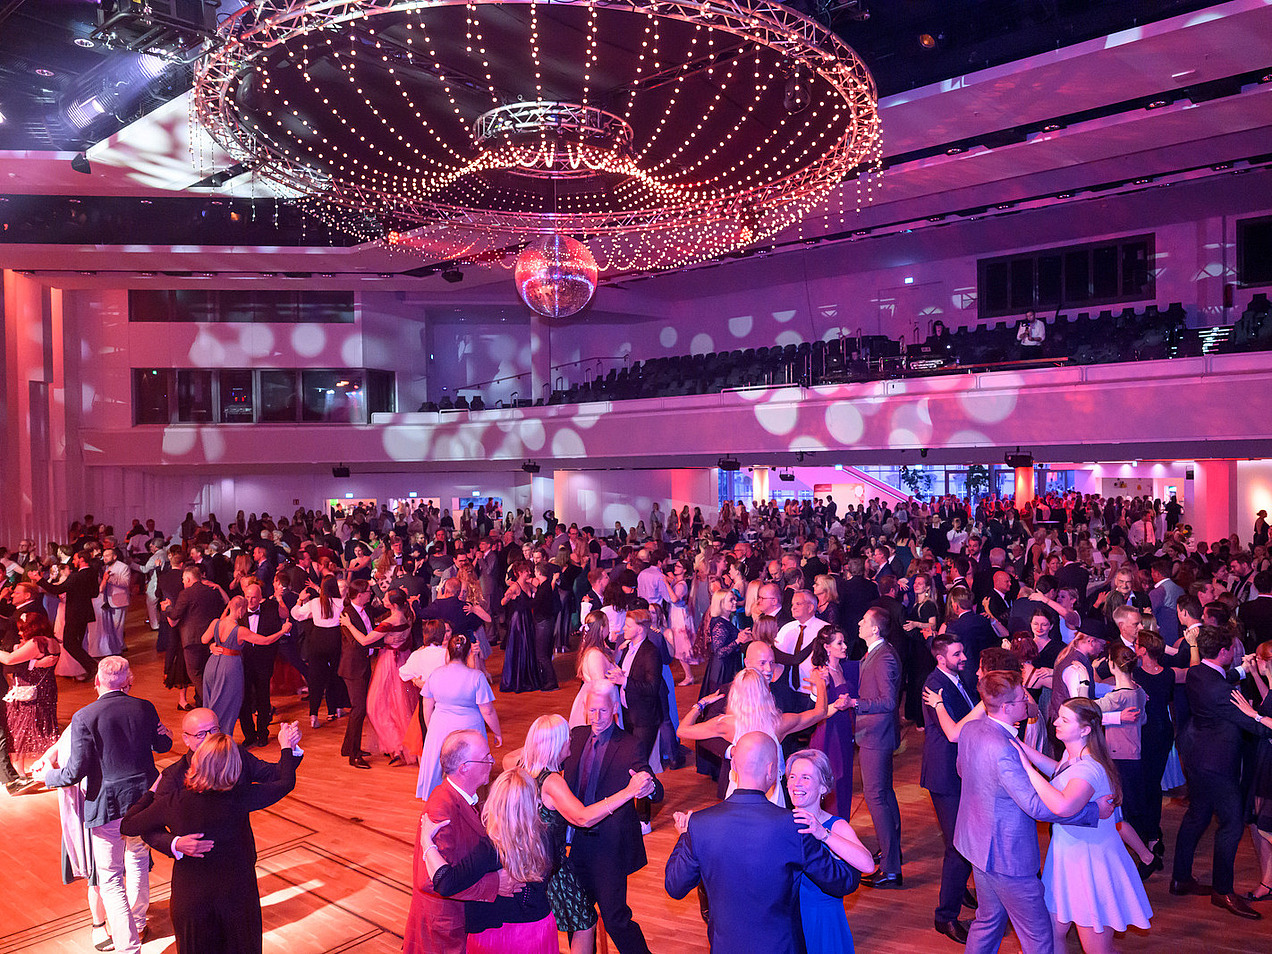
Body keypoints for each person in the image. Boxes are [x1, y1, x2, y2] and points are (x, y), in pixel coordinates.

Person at [664, 731, 858, 954]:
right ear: (770, 770)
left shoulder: (700, 824)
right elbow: (844, 882)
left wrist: (684, 836)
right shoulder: (795, 827)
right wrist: (830, 837)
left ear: (734, 767)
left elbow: (675, 887)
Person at [955, 671, 1104, 954]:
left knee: (987, 921)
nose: (1027, 701)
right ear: (1008, 707)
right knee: (1038, 939)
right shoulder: (1004, 748)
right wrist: (1091, 811)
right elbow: (1035, 806)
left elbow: (962, 771)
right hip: (1008, 856)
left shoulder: (972, 729)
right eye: (1023, 698)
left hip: (976, 844)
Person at [119, 728, 301, 953]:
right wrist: (286, 746)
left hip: (192, 897)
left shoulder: (175, 801)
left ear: (197, 763)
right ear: (234, 766)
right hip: (237, 895)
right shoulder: (241, 797)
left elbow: (128, 825)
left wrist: (150, 792)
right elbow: (285, 782)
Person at [37, 657, 174, 954]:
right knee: (137, 861)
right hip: (144, 801)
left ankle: (128, 947)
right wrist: (167, 735)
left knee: (111, 878)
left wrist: (47, 775)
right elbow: (162, 746)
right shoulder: (144, 707)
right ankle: (139, 922)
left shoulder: (85, 716)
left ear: (97, 682)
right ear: (129, 681)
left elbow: (74, 772)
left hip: (107, 806)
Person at [1015, 698, 1153, 953]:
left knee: (1097, 950)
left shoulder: (1089, 769)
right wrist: (1019, 746)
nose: (1055, 722)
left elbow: (1063, 806)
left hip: (1091, 864)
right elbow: (1060, 772)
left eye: (1065, 720)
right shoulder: (1073, 755)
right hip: (1069, 857)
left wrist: (1026, 768)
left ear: (1085, 729)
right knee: (1051, 934)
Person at [514, 714, 655, 954]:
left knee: (582, 922)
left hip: (540, 864)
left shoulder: (523, 769)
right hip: (556, 870)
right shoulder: (552, 782)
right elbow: (583, 818)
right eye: (566, 738)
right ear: (557, 745)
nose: (572, 741)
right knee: (584, 923)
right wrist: (628, 792)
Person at [1171, 625, 1272, 918]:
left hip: (1197, 759)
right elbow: (1255, 727)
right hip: (1218, 765)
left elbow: (1224, 676)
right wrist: (1257, 712)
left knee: (1197, 816)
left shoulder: (1197, 673)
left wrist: (1245, 669)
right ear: (1225, 651)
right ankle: (1223, 891)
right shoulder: (1222, 691)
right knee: (1231, 825)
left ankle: (1180, 879)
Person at [562, 685, 664, 954]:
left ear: (615, 709)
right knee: (578, 918)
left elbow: (650, 780)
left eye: (603, 710)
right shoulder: (576, 736)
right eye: (592, 710)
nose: (596, 717)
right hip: (577, 844)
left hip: (609, 847)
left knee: (615, 919)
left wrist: (648, 786)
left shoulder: (630, 744)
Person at [419, 767, 559, 953]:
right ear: (533, 801)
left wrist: (426, 841)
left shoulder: (491, 847)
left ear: (496, 802)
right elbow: (555, 865)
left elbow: (445, 882)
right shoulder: (546, 835)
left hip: (498, 937)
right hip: (539, 929)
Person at [403, 730, 501, 954]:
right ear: (464, 767)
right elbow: (430, 880)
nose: (491, 761)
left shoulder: (465, 798)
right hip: (443, 932)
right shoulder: (441, 808)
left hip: (458, 922)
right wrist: (495, 884)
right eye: (485, 758)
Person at [678, 666, 829, 804]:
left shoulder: (725, 724)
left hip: (737, 793)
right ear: (765, 692)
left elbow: (682, 730)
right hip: (771, 795)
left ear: (735, 694)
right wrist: (820, 684)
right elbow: (820, 712)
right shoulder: (779, 723)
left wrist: (702, 703)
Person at [919, 635, 979, 944]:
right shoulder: (934, 685)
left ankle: (960, 892)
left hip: (959, 772)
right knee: (958, 846)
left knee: (964, 841)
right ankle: (946, 917)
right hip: (945, 776)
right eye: (957, 653)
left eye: (963, 650)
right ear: (941, 658)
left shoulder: (956, 677)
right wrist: (984, 706)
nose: (964, 656)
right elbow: (953, 732)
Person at [786, 748, 873, 953]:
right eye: (792, 776)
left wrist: (822, 833)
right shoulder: (781, 823)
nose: (796, 783)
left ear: (823, 787)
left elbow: (868, 865)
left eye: (806, 777)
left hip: (824, 924)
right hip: (788, 923)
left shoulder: (835, 826)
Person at [852, 607, 904, 888]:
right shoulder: (878, 653)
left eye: (863, 620)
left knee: (876, 798)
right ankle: (890, 852)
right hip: (876, 735)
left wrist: (856, 703)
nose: (859, 623)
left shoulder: (883, 658)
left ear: (875, 629)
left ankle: (890, 869)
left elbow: (888, 702)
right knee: (884, 795)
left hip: (876, 737)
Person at [418, 634, 502, 799]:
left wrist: (431, 728)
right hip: (469, 728)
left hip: (439, 725)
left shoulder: (435, 674)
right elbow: (488, 711)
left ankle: (437, 801)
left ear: (447, 653)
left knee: (436, 769)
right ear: (468, 653)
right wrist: (497, 732)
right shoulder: (476, 677)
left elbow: (427, 705)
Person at [200, 596, 284, 744]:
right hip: (230, 667)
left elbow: (203, 640)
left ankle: (209, 739)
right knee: (228, 705)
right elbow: (265, 641)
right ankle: (221, 743)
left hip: (212, 666)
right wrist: (282, 631)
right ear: (240, 610)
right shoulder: (240, 630)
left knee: (212, 703)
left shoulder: (216, 623)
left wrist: (213, 646)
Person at [808, 627, 859, 818]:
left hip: (845, 732)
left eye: (844, 642)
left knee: (845, 781)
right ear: (827, 647)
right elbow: (817, 713)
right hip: (829, 735)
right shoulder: (820, 673)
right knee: (831, 784)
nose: (845, 646)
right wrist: (837, 706)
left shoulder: (844, 668)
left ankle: (841, 827)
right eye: (839, 643)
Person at [0, 612, 60, 772]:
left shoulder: (36, 642)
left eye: (22, 629)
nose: (19, 633)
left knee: (18, 729)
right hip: (47, 690)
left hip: (28, 694)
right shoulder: (52, 641)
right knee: (46, 727)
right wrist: (33, 663)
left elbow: (9, 660)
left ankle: (20, 772)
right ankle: (53, 765)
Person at [367, 587, 418, 765]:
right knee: (399, 706)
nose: (383, 599)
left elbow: (365, 641)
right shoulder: (408, 616)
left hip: (390, 662)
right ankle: (400, 748)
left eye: (386, 598)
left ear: (394, 604)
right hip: (402, 659)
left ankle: (398, 748)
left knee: (376, 705)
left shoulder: (391, 621)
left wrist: (348, 625)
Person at [166, 565, 228, 706]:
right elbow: (222, 607)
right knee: (208, 672)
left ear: (188, 578)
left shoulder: (186, 593)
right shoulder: (212, 591)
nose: (183, 582)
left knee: (194, 673)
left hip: (192, 639)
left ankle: (211, 703)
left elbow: (175, 615)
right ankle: (206, 701)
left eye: (183, 580)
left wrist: (167, 608)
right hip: (211, 638)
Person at [290, 575, 345, 729]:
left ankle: (314, 714)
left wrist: (299, 601)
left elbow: (297, 615)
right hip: (335, 639)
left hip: (318, 640)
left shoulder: (315, 602)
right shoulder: (341, 603)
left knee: (316, 678)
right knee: (334, 675)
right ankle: (334, 709)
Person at [238, 583, 289, 747]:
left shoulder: (271, 607)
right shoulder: (239, 612)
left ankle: (262, 734)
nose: (250, 601)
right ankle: (249, 735)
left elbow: (285, 614)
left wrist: (280, 599)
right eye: (247, 597)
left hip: (264, 661)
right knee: (244, 701)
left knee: (263, 699)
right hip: (243, 663)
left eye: (253, 598)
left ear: (260, 598)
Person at [339, 578, 382, 769]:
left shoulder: (368, 610)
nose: (370, 594)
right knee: (359, 710)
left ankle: (348, 747)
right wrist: (383, 643)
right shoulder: (346, 615)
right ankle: (354, 755)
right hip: (353, 668)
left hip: (363, 665)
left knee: (360, 709)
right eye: (368, 591)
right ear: (359, 594)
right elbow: (357, 642)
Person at [500, 561, 541, 692]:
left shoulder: (529, 585)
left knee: (528, 647)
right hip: (518, 621)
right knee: (521, 648)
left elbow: (540, 592)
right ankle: (519, 680)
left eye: (529, 570)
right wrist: (507, 598)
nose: (528, 573)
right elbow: (502, 602)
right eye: (526, 571)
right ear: (519, 573)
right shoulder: (515, 587)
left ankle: (528, 678)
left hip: (528, 619)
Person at [570, 611, 614, 727]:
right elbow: (600, 686)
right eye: (608, 624)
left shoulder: (597, 649)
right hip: (596, 704)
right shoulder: (594, 654)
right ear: (601, 628)